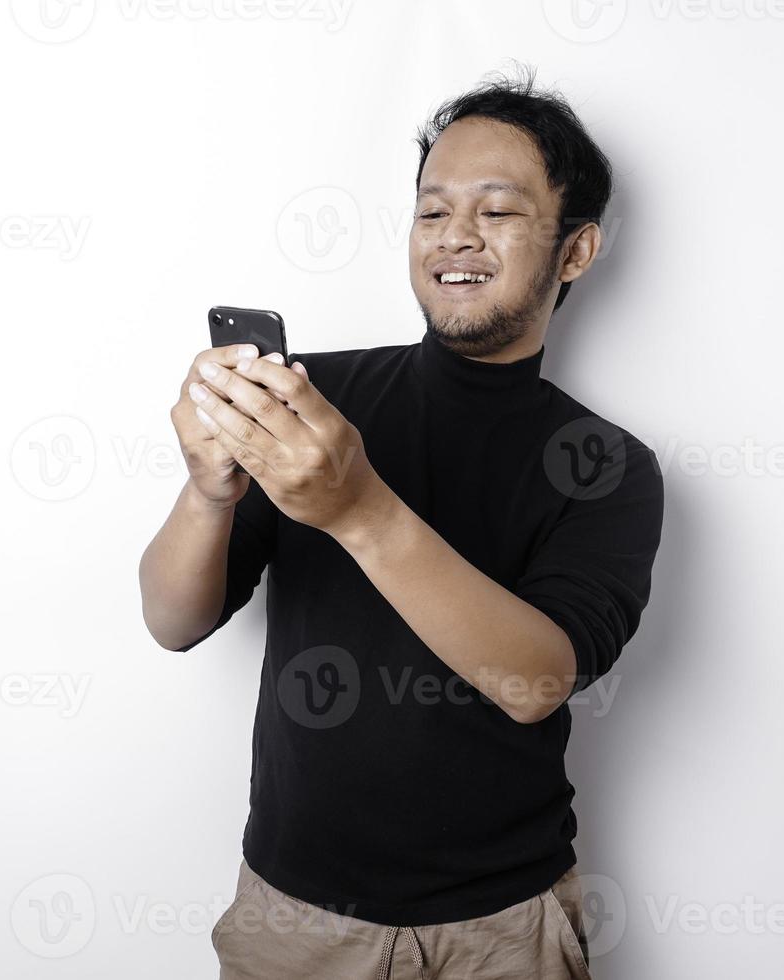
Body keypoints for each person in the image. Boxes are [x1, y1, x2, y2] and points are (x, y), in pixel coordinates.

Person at [139, 67, 663, 979]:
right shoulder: (314, 399)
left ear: (575, 251)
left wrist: (358, 508)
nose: (455, 237)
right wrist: (208, 491)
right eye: (432, 211)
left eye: (496, 212)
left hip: (503, 926)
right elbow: (172, 622)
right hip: (291, 916)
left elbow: (535, 679)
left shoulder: (607, 464)